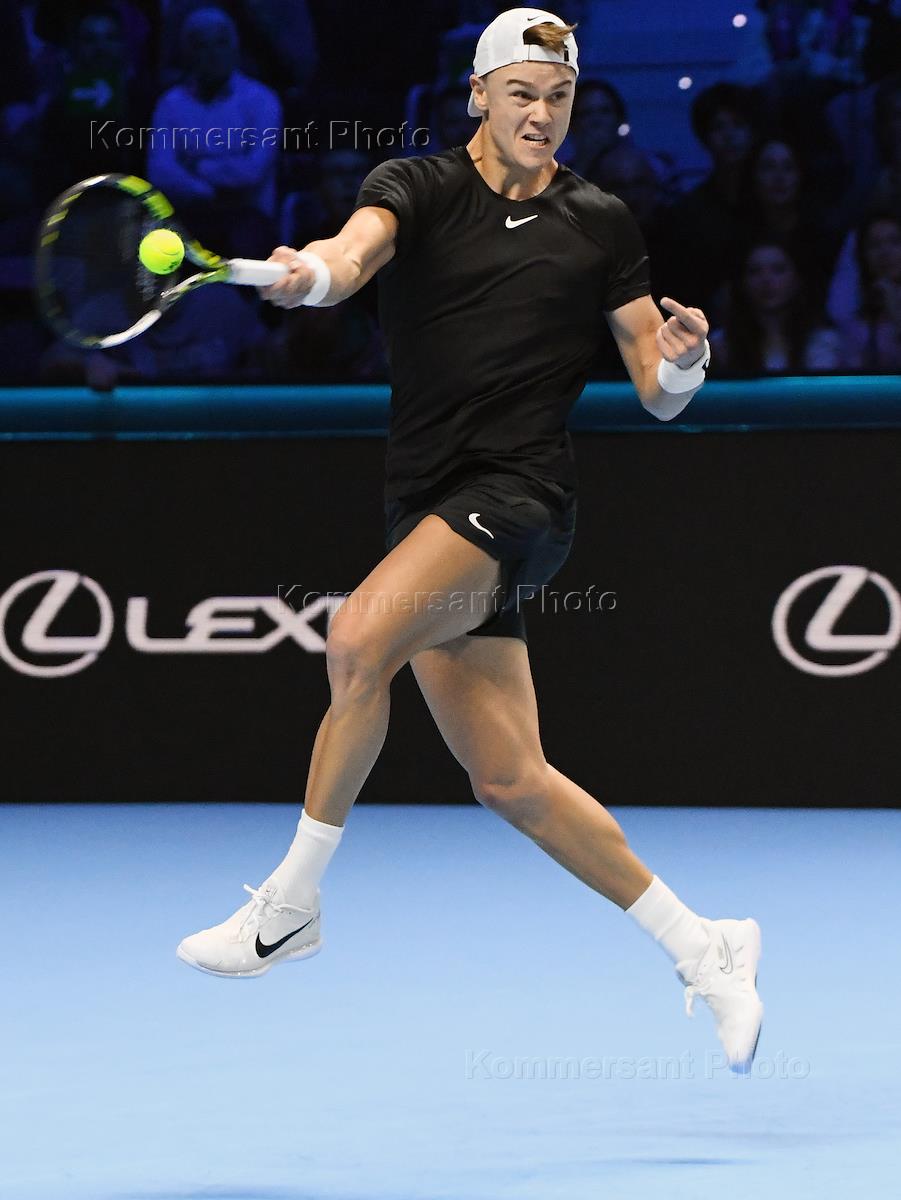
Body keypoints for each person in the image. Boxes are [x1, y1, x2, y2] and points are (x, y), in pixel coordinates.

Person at [177, 8, 764, 1075]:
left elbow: (658, 387)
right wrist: (309, 276)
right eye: (522, 93)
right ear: (479, 95)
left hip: (521, 497)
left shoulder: (600, 223)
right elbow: (351, 257)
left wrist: (686, 360)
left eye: (559, 97)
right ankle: (705, 946)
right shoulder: (415, 185)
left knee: (357, 641)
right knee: (510, 781)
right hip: (427, 503)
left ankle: (289, 907)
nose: (542, 114)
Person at [710, 240, 844, 375]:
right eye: (755, 271)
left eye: (778, 270)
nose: (766, 280)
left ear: (797, 278)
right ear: (742, 282)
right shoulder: (720, 345)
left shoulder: (824, 342)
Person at [846, 211, 901, 372]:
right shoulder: (856, 321)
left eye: (895, 241)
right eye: (874, 245)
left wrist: (895, 310)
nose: (885, 252)